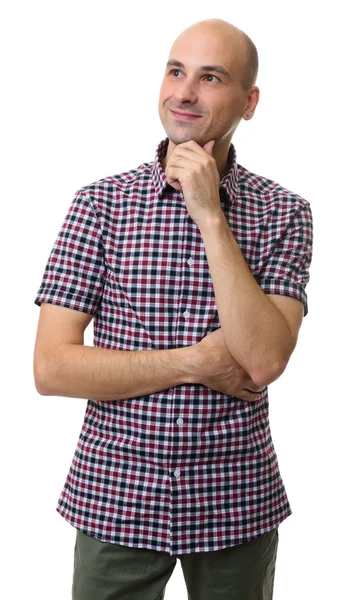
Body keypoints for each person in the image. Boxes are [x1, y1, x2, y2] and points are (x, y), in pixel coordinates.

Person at [33, 18, 313, 600]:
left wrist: (211, 214)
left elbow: (262, 361)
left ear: (249, 101)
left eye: (210, 77)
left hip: (236, 501)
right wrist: (194, 362)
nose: (184, 92)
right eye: (175, 71)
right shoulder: (99, 205)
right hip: (117, 499)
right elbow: (52, 368)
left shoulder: (286, 213)